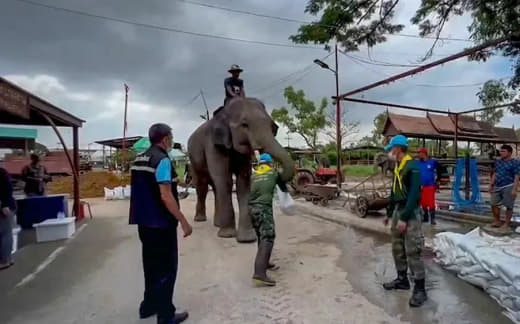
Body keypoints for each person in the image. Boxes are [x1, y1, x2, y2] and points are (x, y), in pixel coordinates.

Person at [129, 123, 192, 324]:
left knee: (151, 265)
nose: (172, 140)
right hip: (161, 224)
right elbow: (165, 195)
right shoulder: (162, 160)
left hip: (143, 222)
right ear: (165, 139)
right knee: (166, 269)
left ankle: (148, 306)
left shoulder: (140, 158)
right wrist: (182, 220)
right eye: (171, 137)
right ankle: (166, 315)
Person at [382, 135, 427, 307]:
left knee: (412, 249)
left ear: (398, 149)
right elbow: (394, 191)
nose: (390, 152)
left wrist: (405, 217)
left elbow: (415, 193)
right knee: (397, 247)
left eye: (391, 149)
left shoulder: (412, 166)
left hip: (410, 212)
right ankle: (402, 279)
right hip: (398, 211)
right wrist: (389, 212)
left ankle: (420, 289)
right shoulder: (398, 166)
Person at [249, 153, 288, 287]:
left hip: (251, 209)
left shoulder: (253, 175)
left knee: (261, 234)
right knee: (268, 237)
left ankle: (265, 263)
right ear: (270, 163)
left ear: (260, 164)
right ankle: (259, 273)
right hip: (263, 208)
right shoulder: (273, 173)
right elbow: (283, 188)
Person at [489, 144, 519, 228]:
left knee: (508, 205)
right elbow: (495, 173)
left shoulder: (515, 162)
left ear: (509, 153)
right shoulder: (498, 162)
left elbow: (517, 176)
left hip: (509, 185)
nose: (501, 153)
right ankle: (497, 220)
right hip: (497, 185)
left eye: (503, 151)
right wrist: (491, 184)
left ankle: (506, 223)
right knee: (493, 203)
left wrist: (514, 189)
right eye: (501, 151)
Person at [417, 148, 439, 225]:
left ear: (424, 154)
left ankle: (432, 219)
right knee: (423, 202)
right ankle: (425, 217)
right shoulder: (417, 163)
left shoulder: (432, 162)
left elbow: (440, 168)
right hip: (421, 186)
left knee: (431, 202)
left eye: (420, 153)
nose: (419, 155)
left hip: (430, 186)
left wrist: (438, 179)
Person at [0, 167, 16, 270]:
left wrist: (4, 204)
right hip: (4, 206)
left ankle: (5, 260)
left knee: (5, 233)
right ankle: (7, 258)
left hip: (5, 207)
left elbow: (8, 188)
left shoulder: (1, 173)